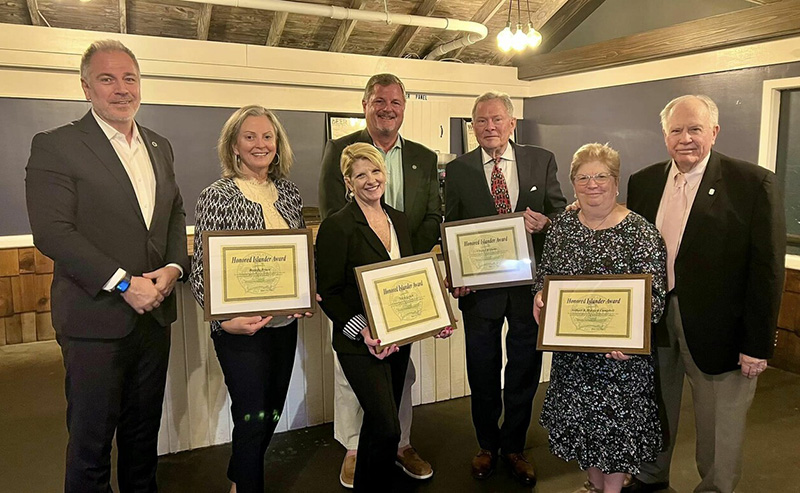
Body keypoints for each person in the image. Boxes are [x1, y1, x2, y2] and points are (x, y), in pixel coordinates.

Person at [24, 40, 190, 492]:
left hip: (154, 317)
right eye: (107, 78)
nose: (122, 89)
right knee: (91, 445)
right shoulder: (56, 145)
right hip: (95, 320)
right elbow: (53, 233)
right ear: (86, 88)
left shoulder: (160, 145)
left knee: (142, 439)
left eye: (130, 78)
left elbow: (173, 214)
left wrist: (174, 268)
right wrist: (122, 284)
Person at [624, 95, 786, 493]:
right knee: (652, 405)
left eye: (695, 128)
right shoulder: (643, 182)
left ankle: (715, 487)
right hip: (655, 321)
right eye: (676, 130)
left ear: (714, 131)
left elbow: (767, 271)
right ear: (664, 136)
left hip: (722, 331)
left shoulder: (752, 183)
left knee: (720, 425)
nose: (685, 138)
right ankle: (650, 476)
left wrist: (758, 344)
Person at [318, 73, 441, 487]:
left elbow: (411, 271)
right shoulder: (338, 226)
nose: (370, 180)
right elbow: (328, 291)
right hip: (362, 335)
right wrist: (362, 328)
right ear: (347, 182)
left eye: (376, 172)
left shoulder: (400, 221)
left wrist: (432, 316)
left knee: (384, 422)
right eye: (360, 175)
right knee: (384, 424)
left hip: (400, 332)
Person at [444, 90, 567, 485]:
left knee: (523, 372)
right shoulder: (458, 169)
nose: (489, 127)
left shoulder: (540, 159)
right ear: (473, 126)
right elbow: (451, 226)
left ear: (512, 123)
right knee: (482, 372)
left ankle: (513, 446)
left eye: (497, 119)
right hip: (480, 293)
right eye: (481, 121)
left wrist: (544, 223)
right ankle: (486, 445)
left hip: (528, 291)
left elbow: (559, 211)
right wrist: (456, 275)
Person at [531, 143, 667, 493]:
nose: (593, 184)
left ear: (616, 182)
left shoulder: (641, 232)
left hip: (620, 363)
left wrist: (632, 338)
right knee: (586, 431)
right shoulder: (562, 228)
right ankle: (593, 486)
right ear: (573, 183)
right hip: (574, 361)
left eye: (601, 176)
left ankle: (612, 490)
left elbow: (654, 296)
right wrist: (539, 295)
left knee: (616, 436)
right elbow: (545, 275)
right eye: (583, 177)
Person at [190, 105, 312, 493]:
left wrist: (305, 292)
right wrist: (221, 321)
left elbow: (300, 256)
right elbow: (201, 268)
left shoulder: (290, 193)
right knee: (251, 415)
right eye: (250, 136)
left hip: (283, 325)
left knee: (271, 410)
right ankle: (248, 485)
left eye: (267, 136)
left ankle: (239, 477)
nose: (260, 144)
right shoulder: (217, 195)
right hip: (239, 328)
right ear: (234, 145)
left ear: (278, 144)